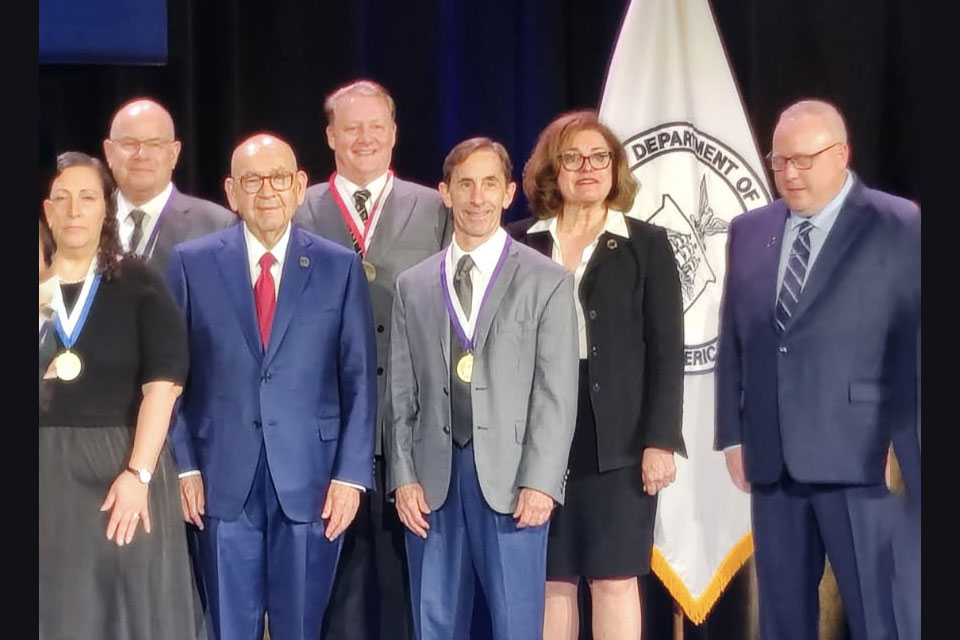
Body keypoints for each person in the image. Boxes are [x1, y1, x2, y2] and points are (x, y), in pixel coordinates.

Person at [715, 99, 921, 640]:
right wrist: (734, 435)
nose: (790, 173)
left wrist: (907, 450)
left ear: (842, 155)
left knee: (880, 614)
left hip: (862, 457)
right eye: (780, 161)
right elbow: (736, 339)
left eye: (804, 160)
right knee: (782, 620)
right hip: (772, 459)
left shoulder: (898, 224)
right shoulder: (748, 229)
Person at [166, 133, 378, 640]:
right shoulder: (190, 263)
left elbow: (358, 378)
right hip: (219, 479)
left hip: (313, 481)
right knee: (227, 628)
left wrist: (351, 475)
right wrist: (183, 465)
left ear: (301, 185)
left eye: (279, 178)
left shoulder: (339, 266)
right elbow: (169, 376)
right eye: (252, 180)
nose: (267, 191)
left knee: (301, 627)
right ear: (231, 192)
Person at [387, 137, 579, 639]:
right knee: (434, 623)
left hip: (514, 481)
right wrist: (402, 477)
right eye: (465, 184)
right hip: (432, 482)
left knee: (516, 623)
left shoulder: (548, 281)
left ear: (509, 192)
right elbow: (401, 394)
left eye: (489, 183)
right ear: (445, 193)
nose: (477, 197)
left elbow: (556, 393)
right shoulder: (413, 284)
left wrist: (542, 480)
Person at [508, 110, 685, 640]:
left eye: (599, 157)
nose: (587, 168)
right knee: (552, 578)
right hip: (539, 432)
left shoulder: (646, 244)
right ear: (551, 170)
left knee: (613, 577)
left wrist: (660, 440)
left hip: (621, 438)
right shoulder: (519, 242)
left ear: (615, 168)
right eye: (573, 157)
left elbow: (666, 351)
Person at [294, 79, 450, 640]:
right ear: (331, 135)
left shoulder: (438, 208)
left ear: (394, 133)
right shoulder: (296, 207)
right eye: (351, 127)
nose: (364, 138)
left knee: (410, 591)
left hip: (410, 430)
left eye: (375, 126)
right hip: (325, 436)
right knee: (337, 593)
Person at [39, 152, 201, 639]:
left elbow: (164, 384)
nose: (74, 211)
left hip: (121, 469)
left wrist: (138, 474)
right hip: (45, 479)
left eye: (87, 198)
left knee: (123, 615)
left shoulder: (137, 282)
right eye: (62, 199)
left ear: (105, 210)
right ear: (47, 211)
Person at [103, 98, 235, 274]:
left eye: (154, 144)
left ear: (174, 154)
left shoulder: (217, 225)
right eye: (129, 144)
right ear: (109, 153)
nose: (141, 155)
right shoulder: (84, 218)